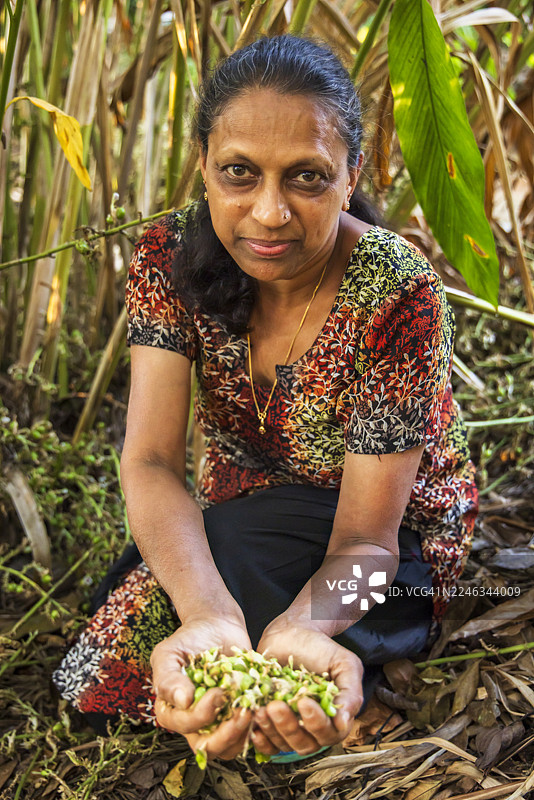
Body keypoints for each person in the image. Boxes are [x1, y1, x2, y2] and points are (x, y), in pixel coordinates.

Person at [53, 34, 478, 764]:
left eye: (307, 178)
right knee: (104, 667)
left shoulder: (395, 289)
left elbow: (366, 541)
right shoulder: (167, 257)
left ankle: (343, 674)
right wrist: (208, 611)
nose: (270, 213)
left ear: (352, 176)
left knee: (269, 674)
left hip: (386, 547)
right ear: (205, 168)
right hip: (248, 516)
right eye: (240, 174)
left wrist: (303, 627)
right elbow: (152, 463)